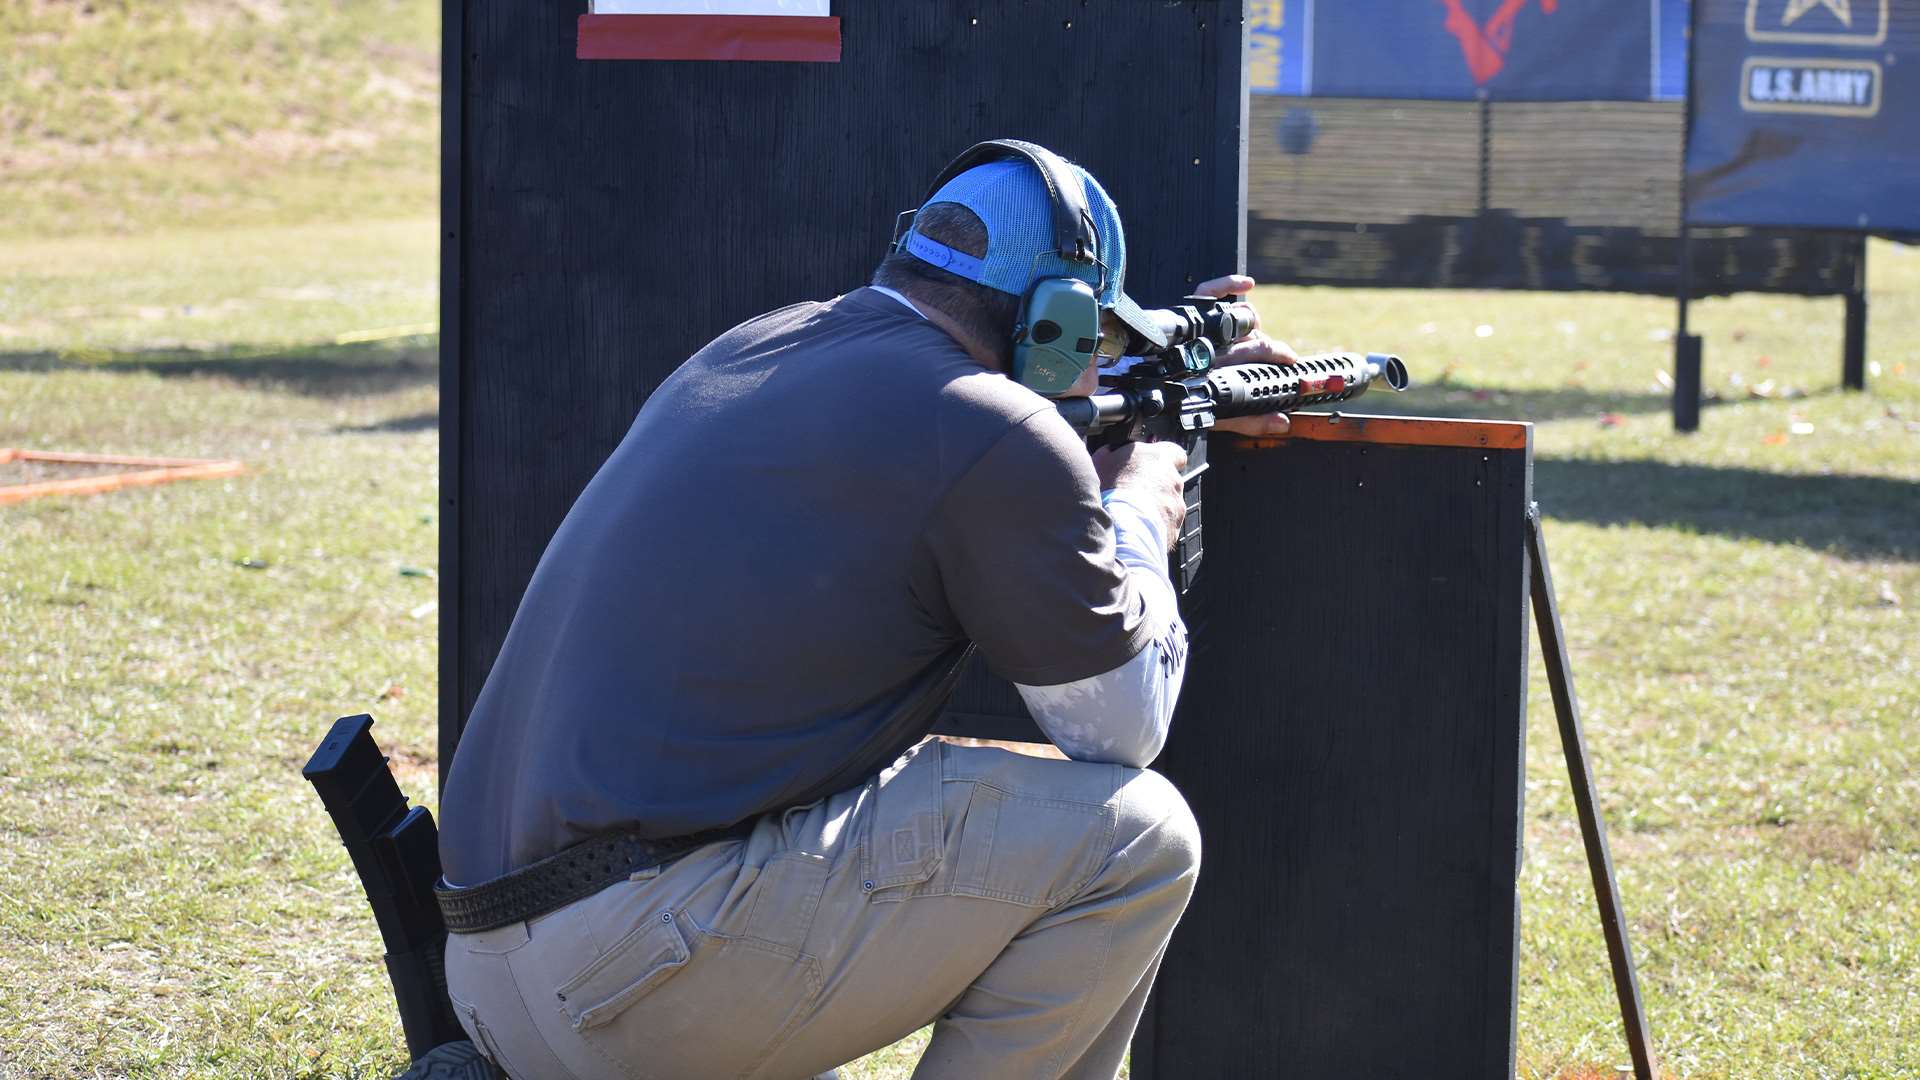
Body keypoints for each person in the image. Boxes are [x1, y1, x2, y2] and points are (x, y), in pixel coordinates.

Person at [435, 141, 1298, 1080]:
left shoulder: (755, 343)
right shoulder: (995, 430)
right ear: (1058, 318)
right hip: (634, 986)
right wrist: (1136, 508)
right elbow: (1121, 727)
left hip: (494, 971)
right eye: (1094, 335)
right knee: (1135, 837)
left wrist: (1135, 403)